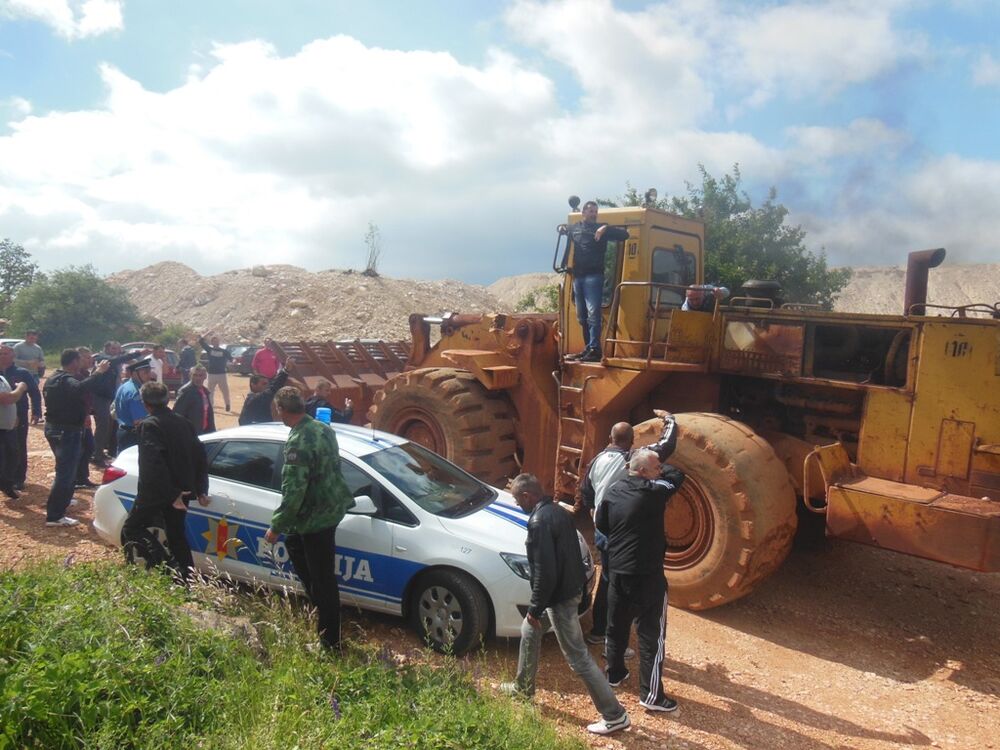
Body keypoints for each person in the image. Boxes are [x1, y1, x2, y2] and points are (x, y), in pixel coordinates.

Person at [500, 473, 630, 736]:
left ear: (528, 496)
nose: (516, 505)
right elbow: (571, 558)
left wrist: (535, 609)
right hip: (569, 591)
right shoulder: (557, 512)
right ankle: (523, 687)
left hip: (558, 599)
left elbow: (545, 572)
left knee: (578, 658)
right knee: (529, 631)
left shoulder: (538, 522)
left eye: (517, 499)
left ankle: (615, 715)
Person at [264, 386, 354, 649]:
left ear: (281, 410)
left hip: (314, 518)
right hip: (330, 509)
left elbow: (294, 491)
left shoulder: (298, 441)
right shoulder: (324, 428)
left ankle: (329, 642)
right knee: (300, 553)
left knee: (323, 581)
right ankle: (322, 611)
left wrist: (275, 527)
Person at [596, 448, 685, 713]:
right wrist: (659, 454)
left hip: (619, 571)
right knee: (651, 635)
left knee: (616, 626)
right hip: (648, 576)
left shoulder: (613, 491)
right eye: (656, 467)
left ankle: (614, 674)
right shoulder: (654, 493)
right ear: (645, 472)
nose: (660, 470)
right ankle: (652, 696)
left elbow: (602, 524)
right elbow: (677, 474)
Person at [121, 381, 209, 582]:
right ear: (167, 400)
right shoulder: (183, 422)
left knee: (132, 528)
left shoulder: (149, 425)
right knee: (176, 535)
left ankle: (164, 565)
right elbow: (200, 455)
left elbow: (154, 464)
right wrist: (200, 488)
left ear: (145, 403)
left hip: (158, 492)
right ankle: (186, 579)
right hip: (183, 490)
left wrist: (171, 494)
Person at [579, 422, 633, 647]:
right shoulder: (628, 461)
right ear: (631, 440)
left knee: (607, 578)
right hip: (617, 531)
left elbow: (585, 491)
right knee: (615, 583)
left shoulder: (597, 460)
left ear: (610, 438)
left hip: (601, 528)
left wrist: (593, 510)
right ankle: (605, 634)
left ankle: (599, 629)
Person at [41, 350, 110, 527]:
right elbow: (79, 388)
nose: (82, 362)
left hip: (55, 428)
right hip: (67, 431)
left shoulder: (53, 378)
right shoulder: (66, 380)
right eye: (80, 359)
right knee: (66, 473)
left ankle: (61, 501)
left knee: (64, 470)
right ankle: (55, 515)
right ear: (73, 362)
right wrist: (98, 373)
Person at [557, 201, 630, 362]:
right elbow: (561, 229)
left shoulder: (602, 228)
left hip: (594, 277)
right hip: (578, 277)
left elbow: (625, 235)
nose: (594, 214)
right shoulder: (575, 228)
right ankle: (588, 348)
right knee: (582, 316)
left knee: (593, 314)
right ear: (583, 213)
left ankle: (595, 349)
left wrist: (606, 228)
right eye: (591, 211)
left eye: (595, 211)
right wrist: (562, 229)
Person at [92, 341, 145, 465]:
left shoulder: (115, 360)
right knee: (103, 425)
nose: (116, 351)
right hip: (101, 397)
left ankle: (106, 451)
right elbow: (116, 361)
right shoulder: (101, 358)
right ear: (106, 348)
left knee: (112, 424)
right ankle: (97, 454)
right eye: (113, 349)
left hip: (110, 395)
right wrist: (137, 354)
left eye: (118, 349)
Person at [0, 343, 41, 492]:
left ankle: (18, 478)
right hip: (2, 417)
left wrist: (37, 411)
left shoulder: (22, 373)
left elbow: (35, 393)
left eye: (5, 353)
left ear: (13, 356)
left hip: (19, 414)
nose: (2, 356)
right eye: (0, 353)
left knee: (18, 447)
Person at [72, 347, 99, 490]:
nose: (90, 360)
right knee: (81, 447)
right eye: (86, 358)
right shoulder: (74, 376)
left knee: (88, 446)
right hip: (77, 418)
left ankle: (82, 477)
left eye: (90, 357)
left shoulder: (85, 373)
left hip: (85, 415)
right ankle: (75, 478)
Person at [0, 365, 28, 500]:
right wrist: (21, 387)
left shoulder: (1, 378)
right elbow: (7, 399)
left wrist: (13, 416)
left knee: (13, 456)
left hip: (7, 427)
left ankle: (6, 485)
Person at [114, 358, 154, 453]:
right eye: (146, 372)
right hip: (133, 435)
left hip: (125, 432)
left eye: (149, 371)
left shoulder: (125, 386)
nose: (149, 375)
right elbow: (139, 421)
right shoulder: (136, 393)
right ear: (135, 373)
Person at [239, 361, 292, 426]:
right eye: (264, 384)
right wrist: (285, 370)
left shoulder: (253, 397)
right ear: (253, 384)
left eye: (267, 384)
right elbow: (273, 389)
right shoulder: (256, 398)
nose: (267, 386)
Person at [172, 366, 216, 435]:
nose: (198, 378)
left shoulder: (205, 391)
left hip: (205, 432)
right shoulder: (186, 391)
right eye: (195, 375)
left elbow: (207, 414)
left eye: (200, 375)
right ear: (190, 376)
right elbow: (177, 414)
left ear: (205, 376)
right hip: (191, 434)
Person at [198, 334, 231, 411]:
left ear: (219, 342)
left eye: (217, 341)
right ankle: (210, 406)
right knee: (210, 391)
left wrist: (234, 361)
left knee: (225, 390)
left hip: (221, 374)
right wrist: (204, 335)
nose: (215, 342)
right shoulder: (209, 350)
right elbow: (201, 342)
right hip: (211, 374)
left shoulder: (224, 351)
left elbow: (231, 358)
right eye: (214, 341)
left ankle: (227, 404)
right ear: (212, 343)